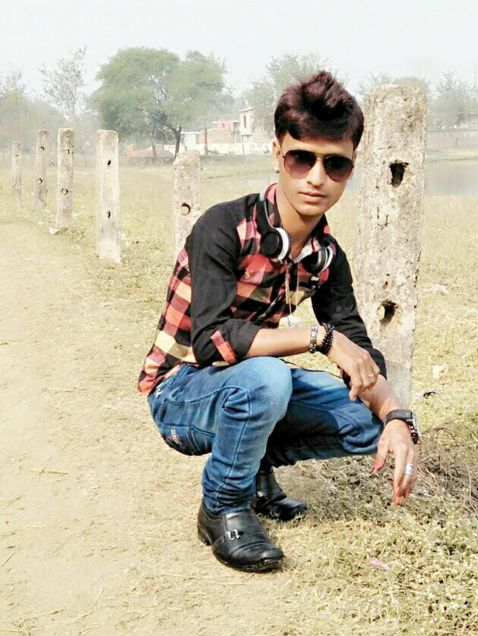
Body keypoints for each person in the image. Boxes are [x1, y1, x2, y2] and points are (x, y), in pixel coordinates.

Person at [138, 71, 420, 573]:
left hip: (247, 381)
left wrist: (396, 417)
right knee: (267, 380)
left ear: (351, 168)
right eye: (301, 158)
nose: (316, 177)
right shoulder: (224, 227)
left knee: (365, 416)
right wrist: (319, 338)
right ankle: (223, 505)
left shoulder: (326, 255)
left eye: (335, 164)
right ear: (277, 154)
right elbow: (212, 341)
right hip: (180, 389)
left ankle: (254, 465)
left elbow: (357, 348)